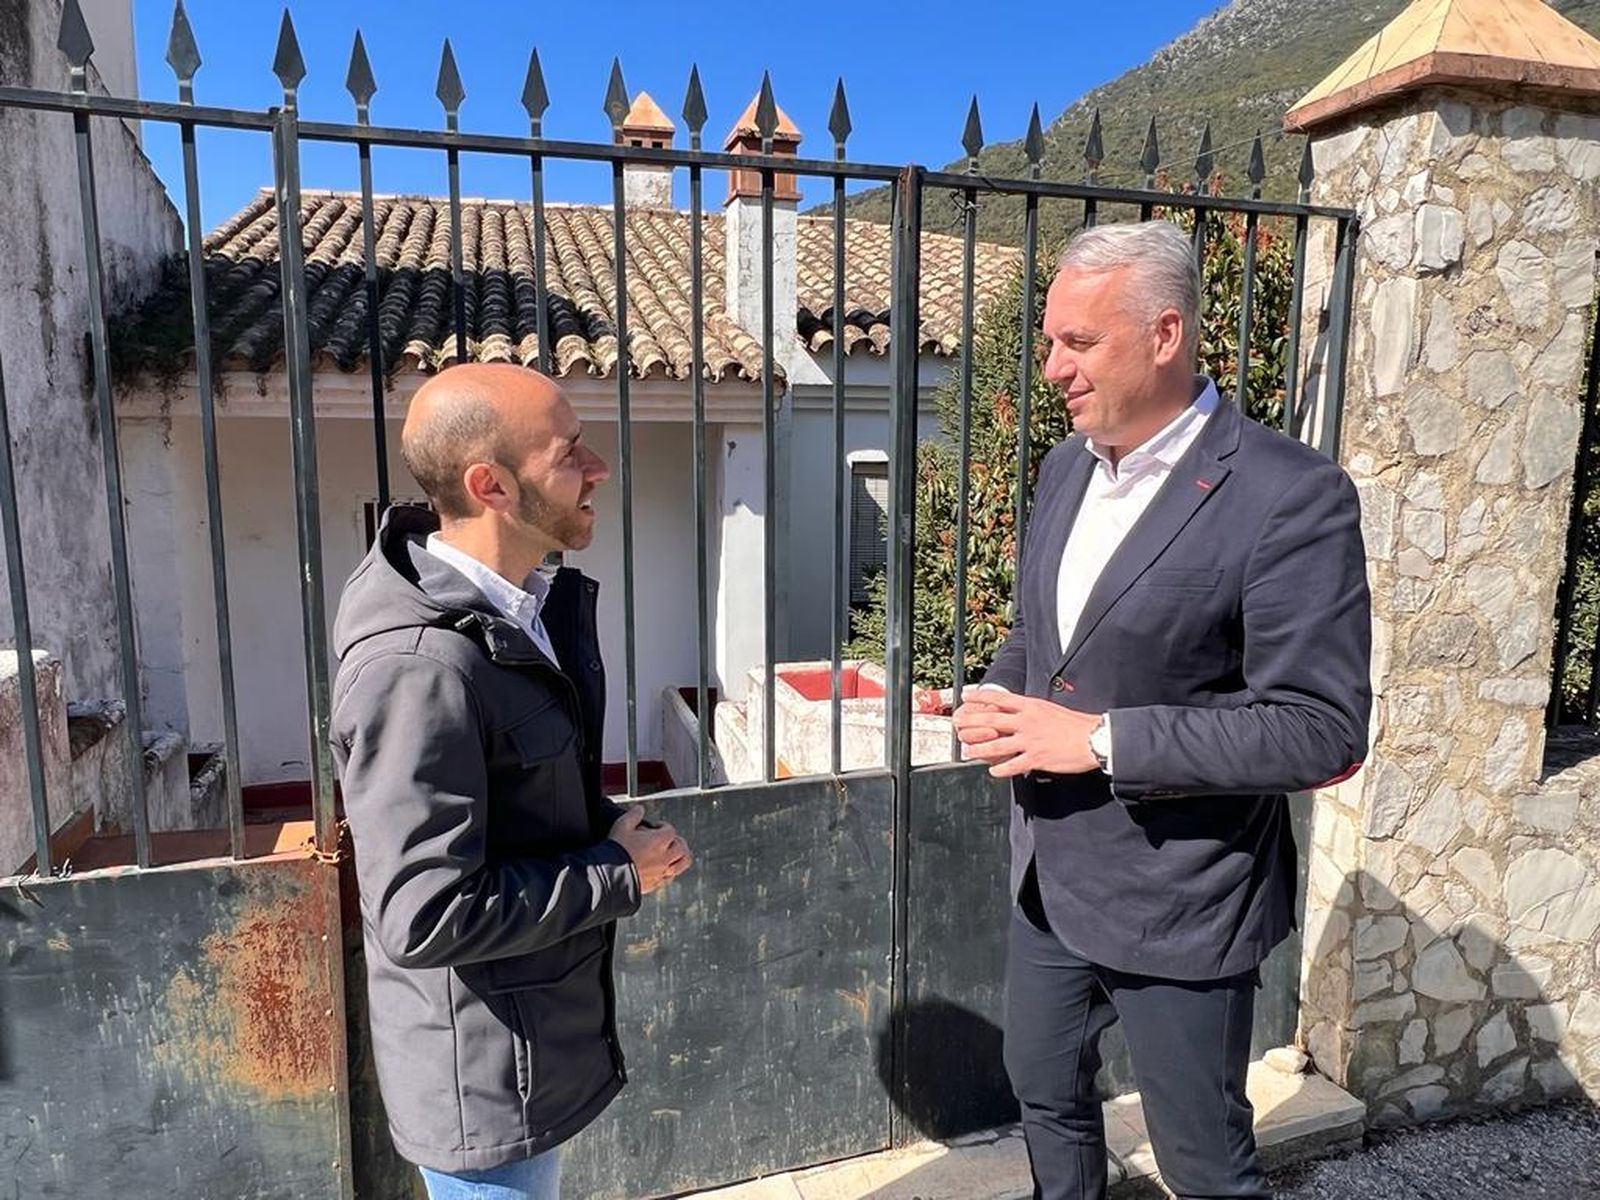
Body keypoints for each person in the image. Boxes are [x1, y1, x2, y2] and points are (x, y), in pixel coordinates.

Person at [953, 221, 1370, 1200]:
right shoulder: (1066, 466)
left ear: (1165, 333)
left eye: (1077, 343)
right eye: (1050, 340)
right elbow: (1047, 639)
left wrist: (1097, 741)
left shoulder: (1290, 495)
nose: (1051, 367)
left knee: (1203, 1166)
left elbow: (1321, 727)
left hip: (1185, 901)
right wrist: (999, 694)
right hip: (1047, 881)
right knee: (1046, 1099)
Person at [331, 362, 691, 1200]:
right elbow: (423, 913)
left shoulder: (517, 612)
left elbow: (513, 802)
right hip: (483, 1081)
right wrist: (617, 874)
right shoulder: (419, 667)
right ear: (489, 485)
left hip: (524, 1052)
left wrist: (605, 825)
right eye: (570, 452)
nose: (598, 467)